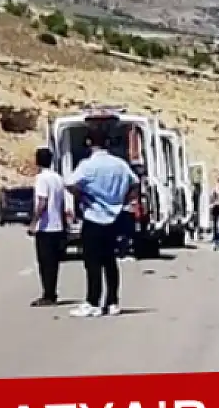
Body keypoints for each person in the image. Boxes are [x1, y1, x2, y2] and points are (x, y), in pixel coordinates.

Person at [65, 127, 139, 318]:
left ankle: (93, 302)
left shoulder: (87, 165)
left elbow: (70, 183)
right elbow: (135, 183)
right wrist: (123, 200)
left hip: (94, 217)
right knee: (110, 262)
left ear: (89, 143)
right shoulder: (120, 165)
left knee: (93, 263)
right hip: (114, 217)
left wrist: (83, 196)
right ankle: (112, 302)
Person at [27, 147, 69, 307]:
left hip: (46, 227)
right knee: (54, 263)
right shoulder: (58, 178)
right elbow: (61, 203)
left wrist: (34, 223)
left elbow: (42, 202)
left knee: (45, 263)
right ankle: (51, 292)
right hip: (58, 226)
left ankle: (48, 295)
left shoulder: (41, 179)